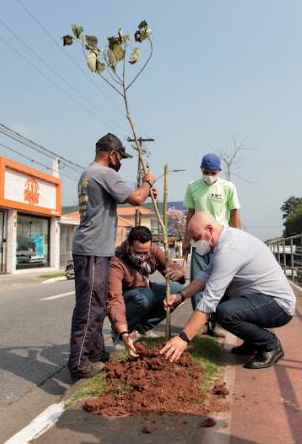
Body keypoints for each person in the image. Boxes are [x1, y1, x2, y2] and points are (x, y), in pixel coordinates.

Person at [68, 133, 157, 380]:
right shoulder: (105, 173)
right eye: (121, 158)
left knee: (95, 303)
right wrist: (148, 182)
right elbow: (137, 198)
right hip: (93, 249)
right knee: (90, 308)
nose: (121, 163)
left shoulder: (89, 173)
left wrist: (146, 188)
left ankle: (95, 352)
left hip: (91, 248)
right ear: (113, 154)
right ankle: (79, 362)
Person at [161, 212, 296, 369]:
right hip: (260, 298)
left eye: (197, 238)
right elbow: (206, 275)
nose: (196, 244)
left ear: (209, 229)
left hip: (278, 305)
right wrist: (181, 296)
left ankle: (270, 344)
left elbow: (209, 300)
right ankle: (253, 341)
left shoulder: (230, 249)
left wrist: (183, 338)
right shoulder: (225, 241)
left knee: (224, 312)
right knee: (221, 306)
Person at [182, 153, 242, 337]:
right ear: (201, 169)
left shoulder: (228, 187)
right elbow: (190, 214)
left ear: (219, 171)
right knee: (198, 281)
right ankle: (200, 323)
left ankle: (217, 323)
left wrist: (238, 239)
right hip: (200, 241)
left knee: (221, 281)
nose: (209, 175)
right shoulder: (193, 186)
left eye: (213, 172)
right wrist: (186, 239)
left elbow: (234, 215)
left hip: (221, 242)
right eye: (206, 172)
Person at [107, 226, 186, 356]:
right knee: (145, 298)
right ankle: (120, 336)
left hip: (145, 288)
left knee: (178, 291)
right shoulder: (116, 262)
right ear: (128, 245)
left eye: (145, 253)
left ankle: (141, 330)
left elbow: (173, 266)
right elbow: (114, 298)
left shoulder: (153, 250)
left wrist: (178, 273)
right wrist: (121, 330)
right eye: (138, 252)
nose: (142, 257)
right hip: (128, 297)